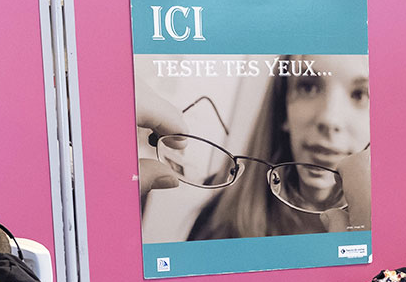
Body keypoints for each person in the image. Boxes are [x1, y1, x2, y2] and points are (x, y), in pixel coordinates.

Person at [149, 54, 370, 240]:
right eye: (308, 87)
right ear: (283, 109)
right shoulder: (218, 222)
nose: (329, 118)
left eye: (360, 94)